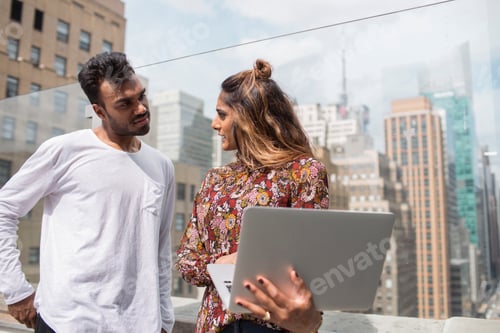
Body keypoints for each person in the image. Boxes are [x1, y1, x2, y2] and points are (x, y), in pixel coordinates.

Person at [0, 52, 175, 333]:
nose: (141, 108)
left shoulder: (162, 166)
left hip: (140, 325)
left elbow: (160, 249)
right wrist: (15, 289)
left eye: (141, 96)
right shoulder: (64, 150)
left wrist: (165, 319)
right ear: (100, 111)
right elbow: (4, 209)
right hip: (67, 322)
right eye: (125, 104)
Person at [176, 59, 328, 333]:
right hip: (213, 328)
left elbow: (313, 267)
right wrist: (220, 264)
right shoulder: (214, 179)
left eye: (222, 115)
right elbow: (186, 261)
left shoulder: (304, 172)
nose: (214, 124)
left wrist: (248, 263)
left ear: (247, 119)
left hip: (274, 327)